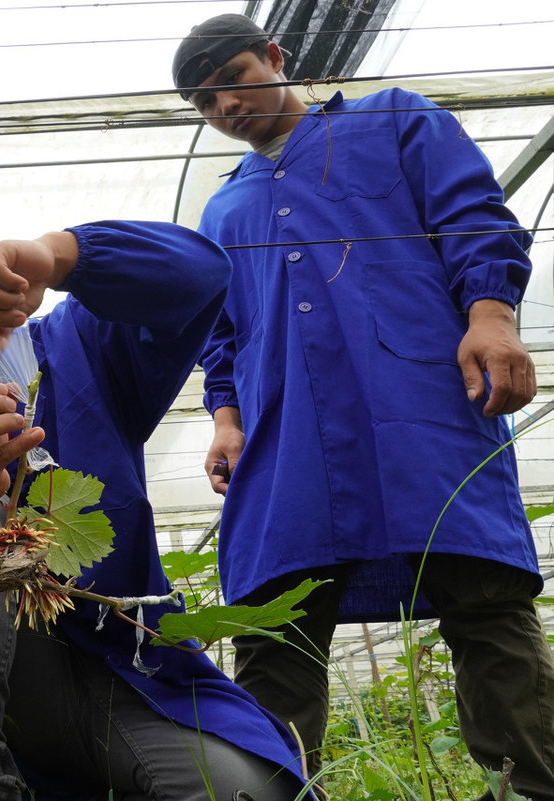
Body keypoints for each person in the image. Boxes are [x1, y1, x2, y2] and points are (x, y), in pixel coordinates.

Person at [0, 191, 317, 801]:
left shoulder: (78, 353)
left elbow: (202, 275)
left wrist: (57, 257)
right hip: (8, 724)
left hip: (137, 683)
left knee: (239, 792)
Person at [172, 12, 554, 799]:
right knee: (273, 622)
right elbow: (221, 335)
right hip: (285, 439)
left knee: (485, 607)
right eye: (206, 104)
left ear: (277, 56)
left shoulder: (397, 121)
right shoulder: (222, 212)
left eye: (234, 81)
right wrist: (227, 418)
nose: (225, 109)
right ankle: (275, 789)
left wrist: (491, 315)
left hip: (423, 409)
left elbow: (476, 218)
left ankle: (531, 785)